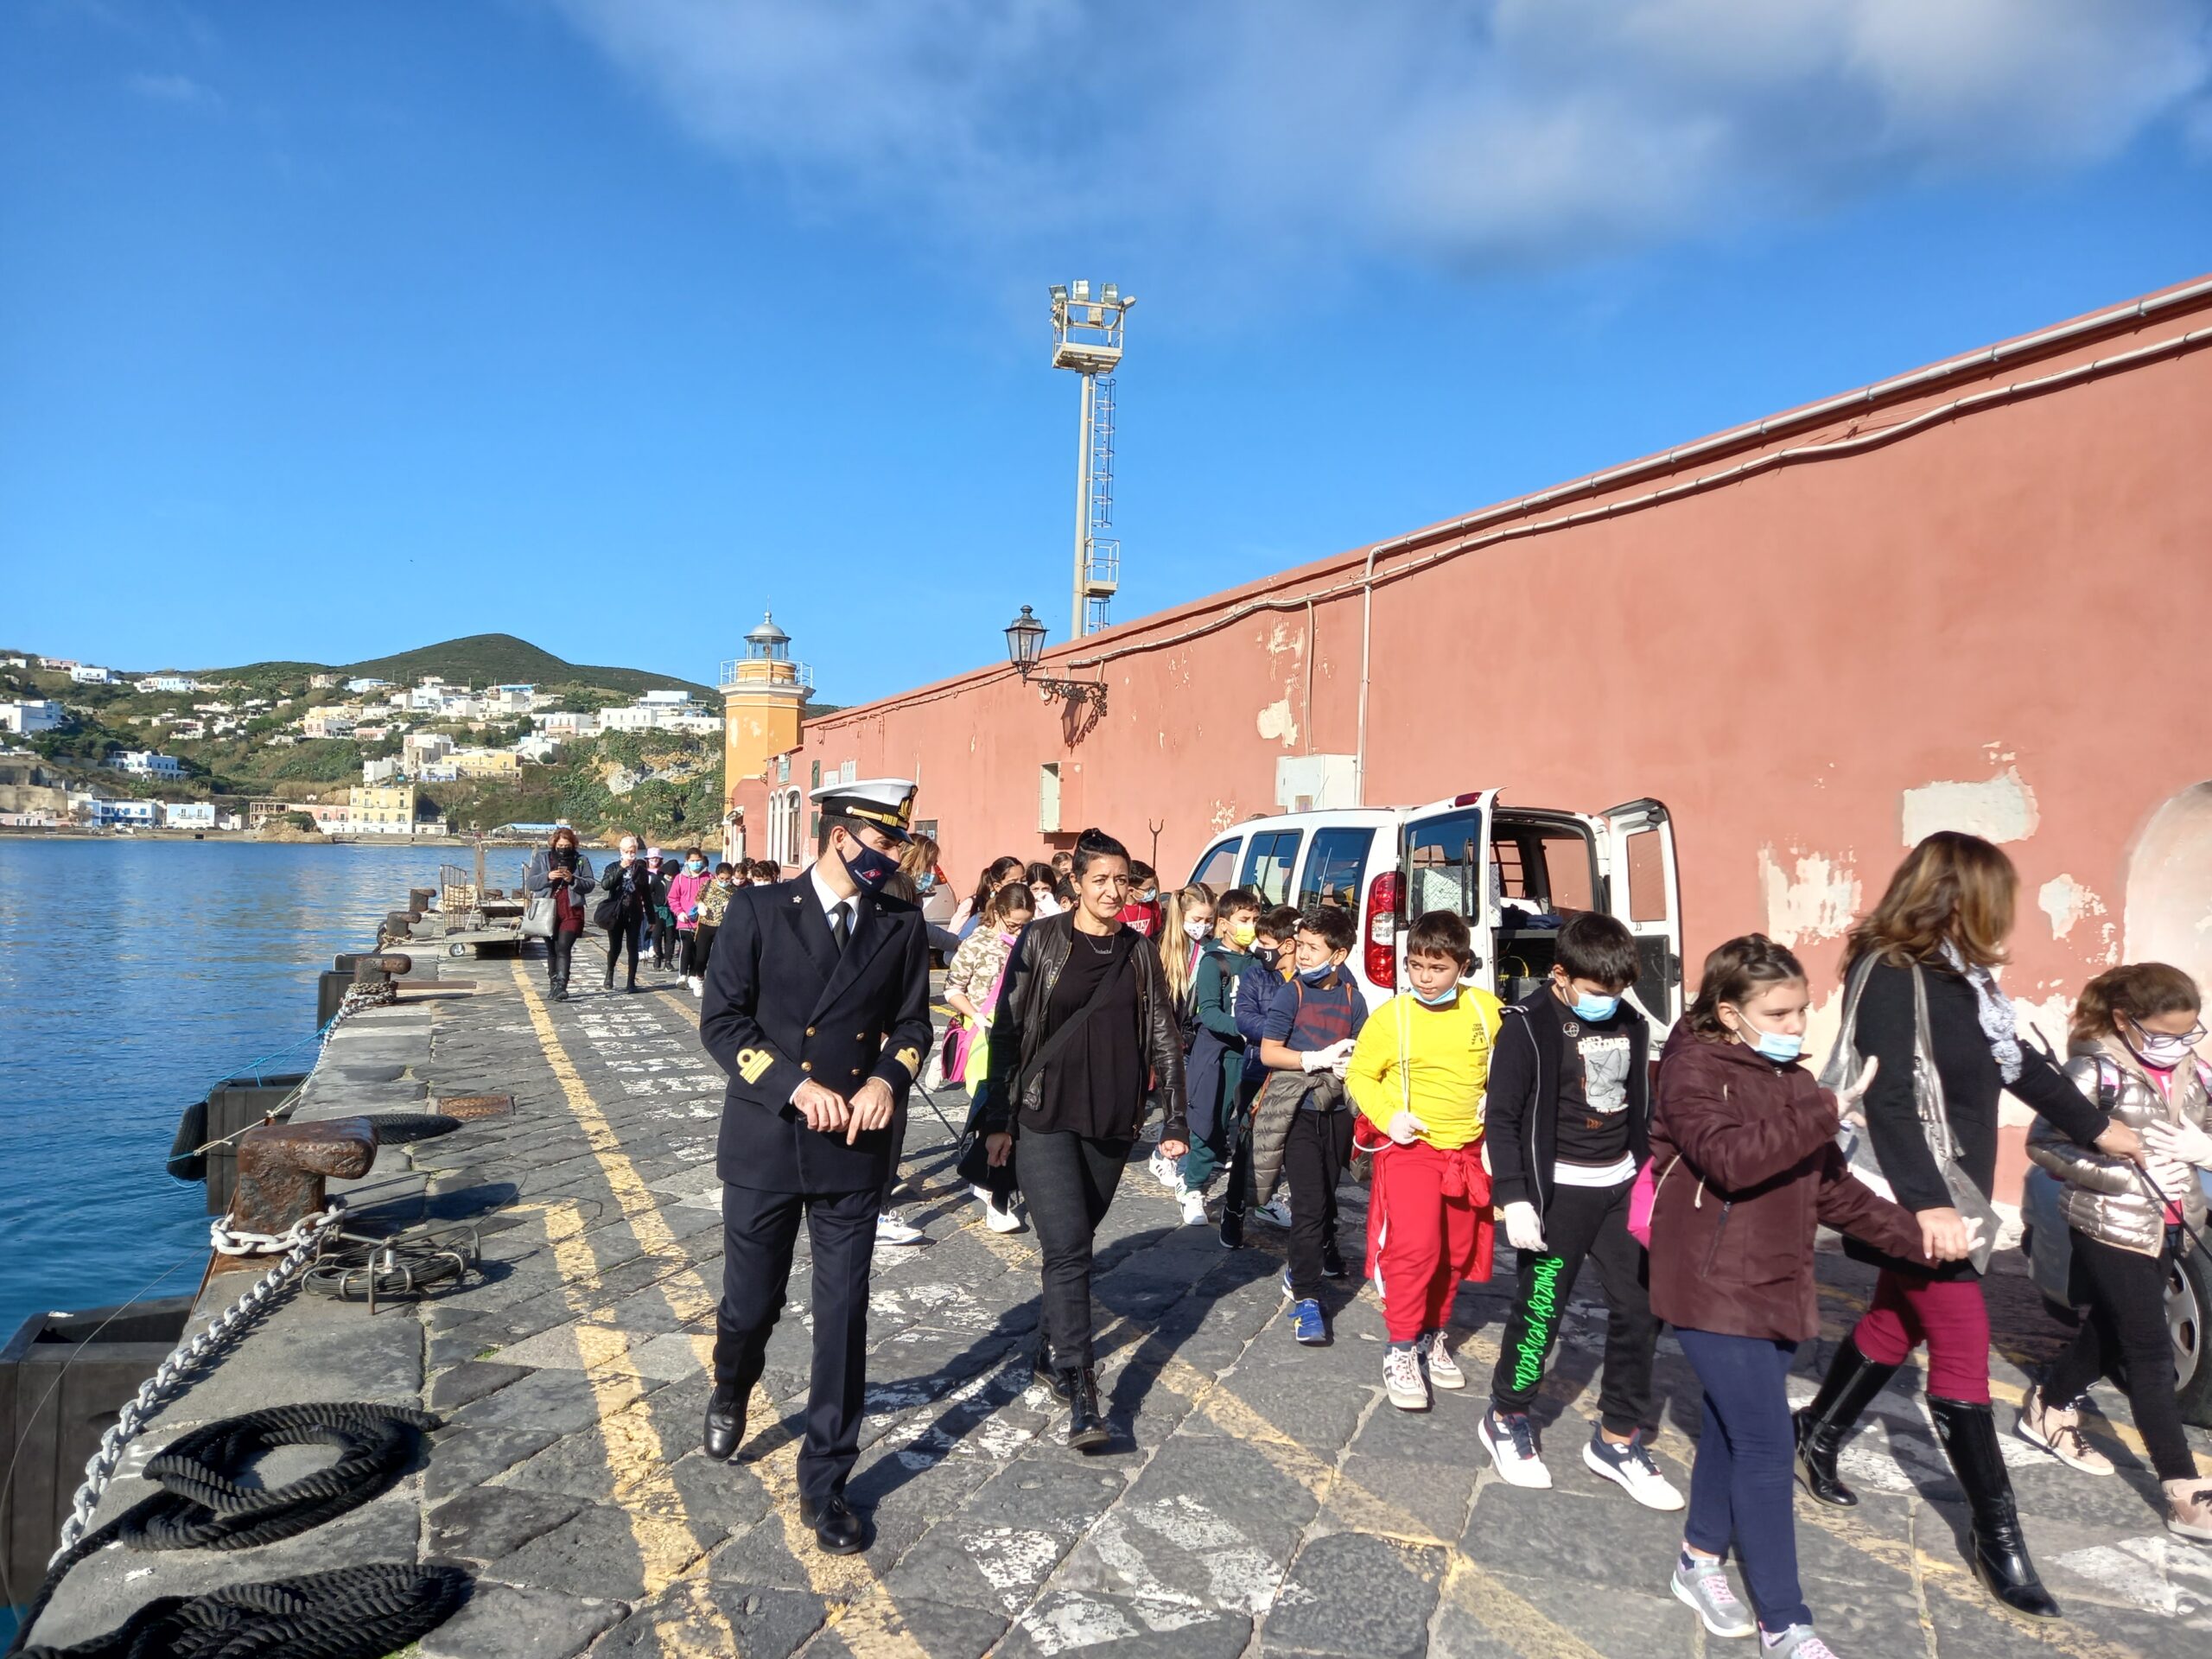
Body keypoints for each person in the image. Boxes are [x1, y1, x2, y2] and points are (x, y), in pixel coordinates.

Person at [1793, 831, 2140, 1618]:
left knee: (1895, 1317)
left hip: (1958, 1190)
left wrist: (2097, 1128)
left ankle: (1816, 1431)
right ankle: (1997, 1535)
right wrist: (1928, 1203)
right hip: (1919, 1193)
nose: (2006, 914)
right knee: (1960, 1342)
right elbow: (1886, 1097)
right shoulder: (1892, 972)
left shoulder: (1967, 980)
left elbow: (2020, 1062)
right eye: (1999, 898)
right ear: (1964, 898)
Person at [1649, 934, 1939, 1656]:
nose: (1796, 1025)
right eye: (1778, 1014)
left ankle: (1698, 1559)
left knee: (1731, 1427)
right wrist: (1825, 1110)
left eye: (1802, 1010)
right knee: (1767, 1442)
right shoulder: (1692, 1069)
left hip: (1778, 1284)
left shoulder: (1797, 1084)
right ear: (1730, 1012)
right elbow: (1730, 1160)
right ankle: (1786, 1622)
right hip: (1710, 1284)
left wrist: (1919, 1238)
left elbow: (1832, 1190)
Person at [696, 779, 933, 1555]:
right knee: (750, 1305)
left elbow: (913, 1025)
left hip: (854, 1149)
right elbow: (722, 1022)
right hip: (768, 1140)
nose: (893, 857)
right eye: (884, 842)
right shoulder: (759, 910)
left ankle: (826, 1479)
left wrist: (886, 1081)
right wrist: (794, 1087)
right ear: (841, 837)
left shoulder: (900, 924)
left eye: (897, 844)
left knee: (843, 1316)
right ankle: (732, 1385)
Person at [978, 827, 1187, 1451]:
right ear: (1075, 882)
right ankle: (1083, 1388)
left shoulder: (1139, 951)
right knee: (1069, 1247)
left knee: (1074, 1244)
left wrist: (1175, 1119)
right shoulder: (1042, 939)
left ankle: (1049, 1349)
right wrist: (996, 1118)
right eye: (1100, 879)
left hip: (1112, 1121)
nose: (1113, 891)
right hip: (1042, 1115)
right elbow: (1007, 1031)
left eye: (1122, 880)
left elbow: (1164, 1037)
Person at [1481, 910, 1679, 1510]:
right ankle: (1507, 1415)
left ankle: (1618, 1437)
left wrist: (1651, 1178)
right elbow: (1503, 1118)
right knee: (1541, 1310)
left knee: (1642, 1309)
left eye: (1618, 991)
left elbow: (1640, 1103)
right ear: (1562, 975)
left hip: (1621, 1187)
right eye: (1597, 990)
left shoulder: (1630, 1022)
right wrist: (1514, 1196)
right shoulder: (1527, 1026)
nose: (1609, 1001)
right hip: (1557, 1195)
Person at [2022, 962, 2212, 1541]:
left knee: (2110, 1329)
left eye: (2190, 1031)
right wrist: (2125, 1173)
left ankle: (2048, 1406)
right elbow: (2044, 1144)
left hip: (2173, 1224)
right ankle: (2183, 1490)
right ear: (2126, 1021)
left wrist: (2203, 1149)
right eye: (2165, 1034)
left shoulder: (2196, 1072)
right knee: (2149, 1349)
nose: (2179, 1044)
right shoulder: (2092, 1071)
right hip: (2110, 1224)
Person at [1345, 911, 1503, 1410]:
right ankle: (1400, 1348)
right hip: (1411, 1150)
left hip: (1468, 1152)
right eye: (1416, 966)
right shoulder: (1392, 1017)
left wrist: (1498, 1096)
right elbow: (1360, 1075)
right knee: (1415, 1249)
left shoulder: (1486, 1010)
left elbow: (1512, 1065)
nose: (1425, 978)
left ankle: (1433, 1335)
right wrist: (1389, 1117)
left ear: (1463, 966)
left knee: (1456, 1252)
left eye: (1437, 968)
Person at [1251, 905, 1368, 1344]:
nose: (1301, 954)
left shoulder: (1354, 999)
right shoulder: (1291, 994)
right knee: (1309, 1203)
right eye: (1300, 945)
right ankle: (1306, 1295)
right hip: (1296, 1109)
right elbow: (1269, 1052)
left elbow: (1364, 1050)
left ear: (1338, 956)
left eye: (1312, 948)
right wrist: (1312, 1059)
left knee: (1328, 1192)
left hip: (1337, 1112)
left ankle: (1323, 1250)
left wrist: (1352, 1063)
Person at [945, 881, 1035, 1232]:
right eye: (1014, 924)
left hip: (1022, 1036)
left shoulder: (1032, 943)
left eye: (1025, 924)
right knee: (991, 1112)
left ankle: (991, 1184)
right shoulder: (977, 942)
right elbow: (953, 988)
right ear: (998, 912)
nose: (1019, 930)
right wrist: (977, 1016)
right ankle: (993, 1196)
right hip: (985, 1038)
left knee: (1014, 1114)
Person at [1217, 903, 1303, 1245]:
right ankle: (1233, 1210)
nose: (1259, 950)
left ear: (1288, 944)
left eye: (1266, 943)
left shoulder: (1313, 977)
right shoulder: (1256, 975)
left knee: (1295, 1150)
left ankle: (1303, 1221)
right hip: (1258, 1070)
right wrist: (1284, 1032)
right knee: (1247, 1147)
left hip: (1300, 1075)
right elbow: (1244, 1018)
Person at [1178, 887, 1262, 1226]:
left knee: (1252, 1126)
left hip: (1251, 1057)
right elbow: (1209, 1012)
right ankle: (1192, 1188)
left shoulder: (1258, 962)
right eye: (1244, 920)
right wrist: (1245, 1028)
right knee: (1208, 1122)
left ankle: (1259, 1194)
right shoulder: (1213, 963)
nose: (1251, 926)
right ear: (1224, 924)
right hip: (1218, 1056)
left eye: (1255, 919)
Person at [1148, 885, 1215, 1189]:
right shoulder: (1157, 947)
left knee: (1189, 1098)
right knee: (1175, 1097)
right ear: (1181, 914)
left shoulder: (1209, 949)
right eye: (1198, 919)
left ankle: (1176, 1152)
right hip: (1166, 1037)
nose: (1203, 926)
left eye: (1209, 920)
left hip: (1194, 1034)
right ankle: (1163, 1155)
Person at [523, 826, 595, 1001]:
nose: (563, 849)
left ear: (573, 844)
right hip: (548, 909)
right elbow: (531, 883)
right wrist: (548, 876)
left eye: (567, 846)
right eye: (560, 846)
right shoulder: (542, 858)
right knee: (552, 949)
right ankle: (553, 985)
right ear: (554, 844)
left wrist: (572, 879)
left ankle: (562, 985)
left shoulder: (581, 860)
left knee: (563, 946)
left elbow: (590, 884)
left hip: (572, 909)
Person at [597, 834, 652, 993]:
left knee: (633, 947)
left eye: (633, 851)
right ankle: (610, 973)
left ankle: (631, 982)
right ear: (621, 851)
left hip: (634, 913)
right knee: (615, 947)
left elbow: (647, 896)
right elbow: (605, 885)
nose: (630, 855)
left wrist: (651, 918)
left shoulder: (641, 870)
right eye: (627, 851)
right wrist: (621, 868)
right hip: (616, 913)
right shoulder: (612, 867)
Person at [666, 846, 712, 998]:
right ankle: (682, 975)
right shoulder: (680, 878)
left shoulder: (709, 878)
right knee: (686, 946)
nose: (696, 863)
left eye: (698, 860)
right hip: (685, 920)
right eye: (693, 860)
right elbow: (673, 898)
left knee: (699, 950)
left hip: (703, 921)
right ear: (687, 861)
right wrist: (679, 912)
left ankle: (694, 975)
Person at [952, 855, 1025, 939]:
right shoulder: (981, 919)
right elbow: (960, 943)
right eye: (1013, 882)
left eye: (1023, 880)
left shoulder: (1032, 910)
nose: (1021, 885)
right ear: (998, 887)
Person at [694, 862, 737, 983]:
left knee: (721, 956)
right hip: (706, 924)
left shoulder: (734, 890)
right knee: (701, 956)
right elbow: (697, 898)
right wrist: (700, 905)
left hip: (723, 926)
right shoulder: (708, 884)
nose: (724, 881)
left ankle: (716, 981)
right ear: (716, 875)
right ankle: (699, 976)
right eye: (721, 878)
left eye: (727, 879)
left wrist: (730, 907)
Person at [645, 848, 678, 971]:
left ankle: (668, 961)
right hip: (657, 911)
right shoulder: (657, 879)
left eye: (673, 875)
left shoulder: (677, 882)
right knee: (656, 936)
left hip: (671, 912)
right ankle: (658, 956)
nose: (670, 877)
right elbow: (648, 894)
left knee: (670, 937)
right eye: (669, 875)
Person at [1118, 863, 1162, 938]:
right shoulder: (1115, 909)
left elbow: (1157, 932)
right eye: (1147, 889)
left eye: (1152, 887)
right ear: (1131, 891)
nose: (1152, 892)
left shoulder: (1153, 905)